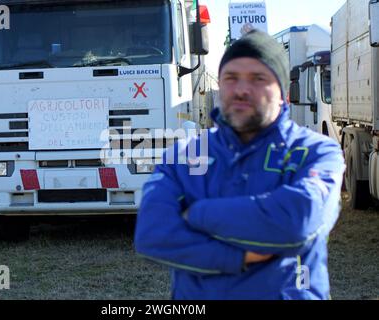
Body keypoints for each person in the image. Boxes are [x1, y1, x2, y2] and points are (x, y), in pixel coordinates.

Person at [134, 30, 345, 300]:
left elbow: (298, 220)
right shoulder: (184, 156)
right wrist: (239, 256)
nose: (242, 90)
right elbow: (152, 234)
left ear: (283, 93)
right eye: (231, 78)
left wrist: (197, 214)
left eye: (258, 78)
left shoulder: (316, 152)